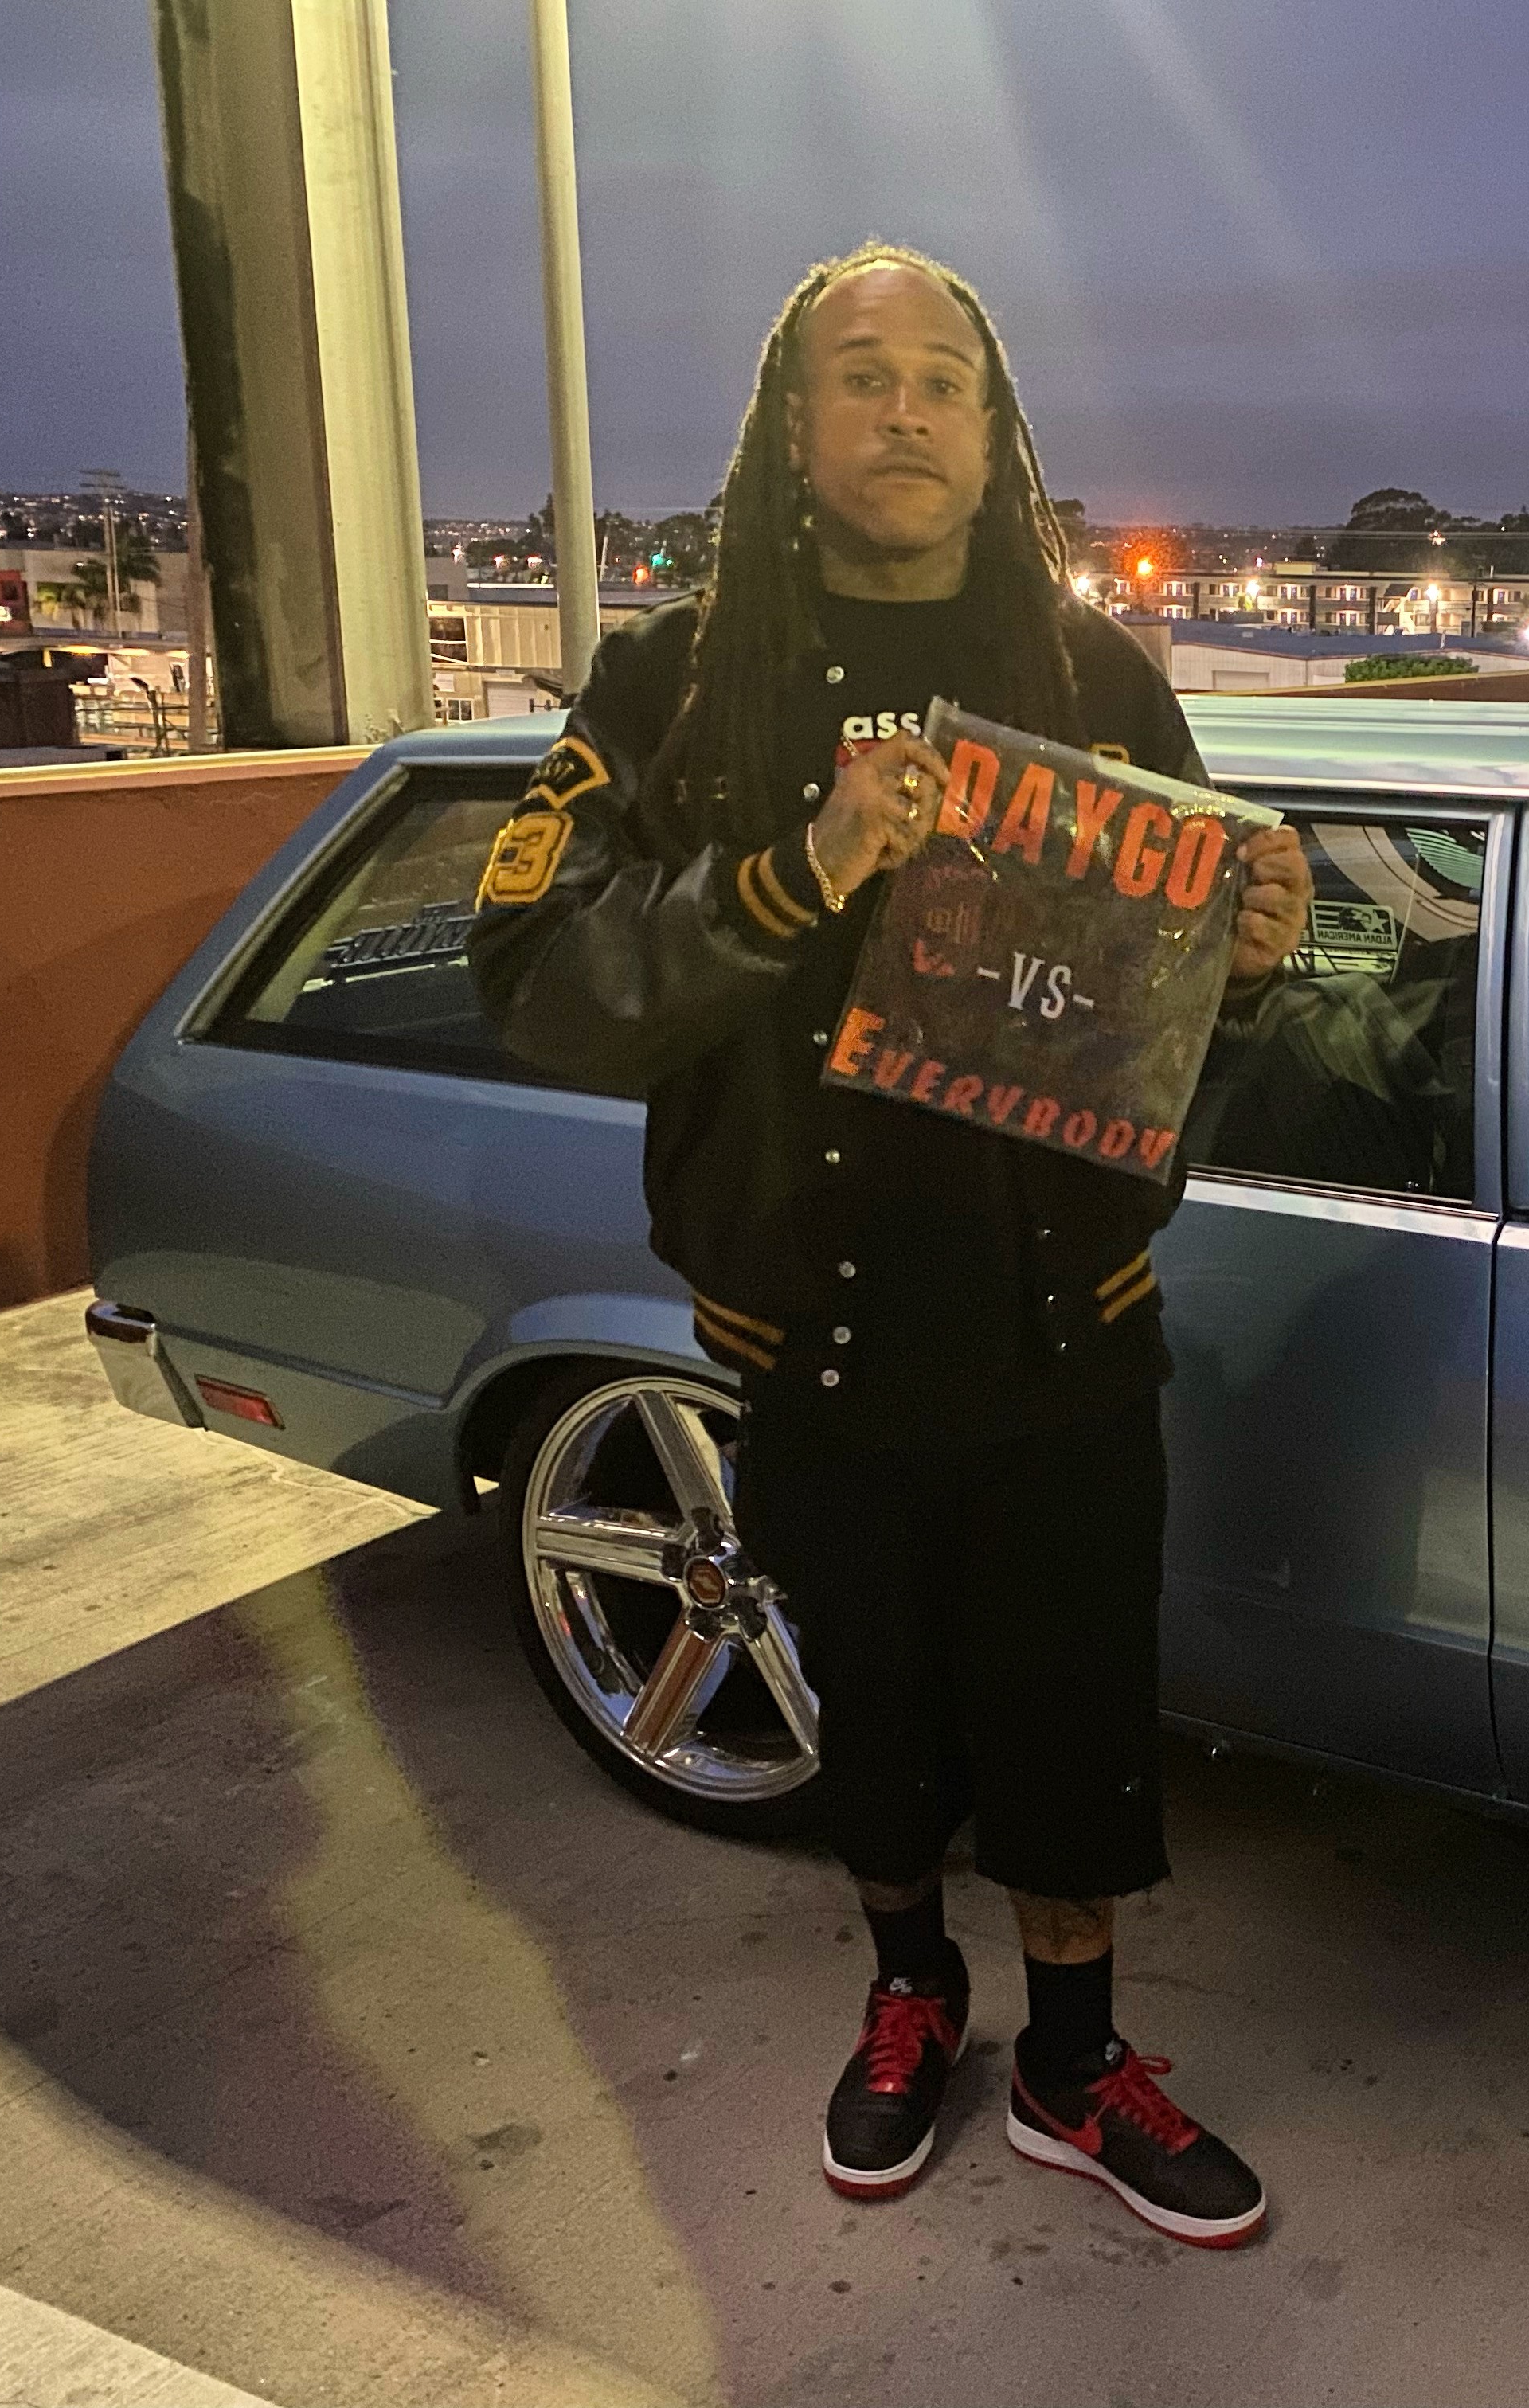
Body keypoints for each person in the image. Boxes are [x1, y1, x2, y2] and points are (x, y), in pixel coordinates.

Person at [470, 243, 1311, 2249]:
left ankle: (1075, 2059)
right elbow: (535, 981)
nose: (909, 409)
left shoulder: (1099, 677)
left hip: (1068, 1325)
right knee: (875, 1705)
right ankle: (911, 1995)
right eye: (865, 376)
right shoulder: (671, 684)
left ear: (995, 429)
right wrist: (802, 866)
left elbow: (1165, 1015)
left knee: (1074, 1717)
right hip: (805, 1330)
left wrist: (1256, 960)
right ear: (791, 420)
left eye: (947, 378)